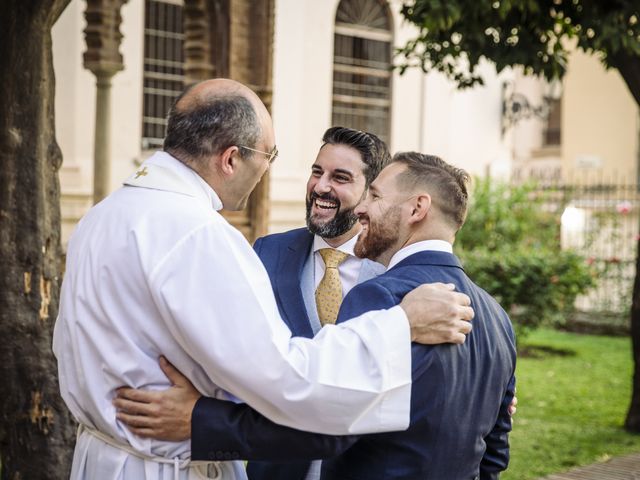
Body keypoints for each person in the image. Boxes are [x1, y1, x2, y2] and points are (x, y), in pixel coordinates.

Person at [53, 79, 474, 479]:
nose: (267, 173)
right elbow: (287, 378)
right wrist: (400, 325)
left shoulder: (103, 215)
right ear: (232, 158)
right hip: (166, 466)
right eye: (268, 157)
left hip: (103, 457)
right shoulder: (200, 235)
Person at [114, 153, 517, 479]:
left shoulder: (381, 295)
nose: (361, 208)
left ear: (417, 208)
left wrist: (199, 421)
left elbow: (329, 427)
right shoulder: (497, 319)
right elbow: (494, 453)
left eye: (374, 196)